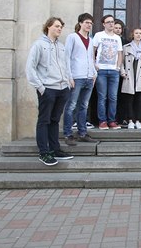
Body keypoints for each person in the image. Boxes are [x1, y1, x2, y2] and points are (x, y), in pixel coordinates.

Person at [26, 17, 74, 166]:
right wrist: (41, 88)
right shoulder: (39, 45)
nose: (59, 29)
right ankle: (44, 152)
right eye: (57, 26)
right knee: (44, 120)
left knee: (54, 120)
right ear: (48, 27)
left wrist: (68, 81)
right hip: (48, 89)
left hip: (62, 89)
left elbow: (66, 66)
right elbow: (30, 68)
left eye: (61, 27)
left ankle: (55, 149)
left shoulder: (61, 46)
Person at [62, 13, 97, 146]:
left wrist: (94, 74)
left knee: (84, 106)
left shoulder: (91, 39)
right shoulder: (73, 37)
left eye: (91, 23)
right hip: (77, 77)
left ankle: (82, 133)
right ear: (80, 23)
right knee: (71, 106)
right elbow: (67, 57)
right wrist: (69, 76)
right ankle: (68, 134)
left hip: (89, 77)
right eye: (87, 22)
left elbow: (91, 58)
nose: (89, 25)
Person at [93, 15, 123, 130]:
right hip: (101, 70)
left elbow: (120, 53)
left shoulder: (117, 38)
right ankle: (102, 121)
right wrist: (94, 64)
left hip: (114, 71)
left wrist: (118, 67)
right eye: (108, 22)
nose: (111, 24)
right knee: (102, 97)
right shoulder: (98, 35)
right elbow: (93, 50)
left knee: (113, 97)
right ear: (103, 24)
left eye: (112, 22)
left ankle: (112, 120)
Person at [120, 28, 141, 129]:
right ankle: (130, 120)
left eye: (140, 33)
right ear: (133, 35)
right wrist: (122, 72)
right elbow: (121, 62)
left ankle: (138, 120)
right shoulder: (126, 47)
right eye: (136, 33)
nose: (138, 35)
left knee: (140, 100)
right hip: (129, 75)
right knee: (129, 100)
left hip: (140, 76)